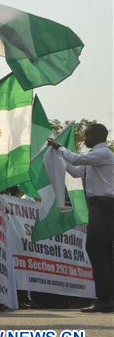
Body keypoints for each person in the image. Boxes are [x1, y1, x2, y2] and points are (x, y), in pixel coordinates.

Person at [49, 123, 114, 313]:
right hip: (99, 205)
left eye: (86, 136)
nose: (84, 139)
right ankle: (108, 298)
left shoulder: (103, 153)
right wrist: (59, 158)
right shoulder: (94, 158)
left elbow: (76, 160)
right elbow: (76, 171)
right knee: (105, 251)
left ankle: (104, 298)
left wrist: (59, 148)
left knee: (94, 247)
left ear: (96, 136)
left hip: (104, 205)